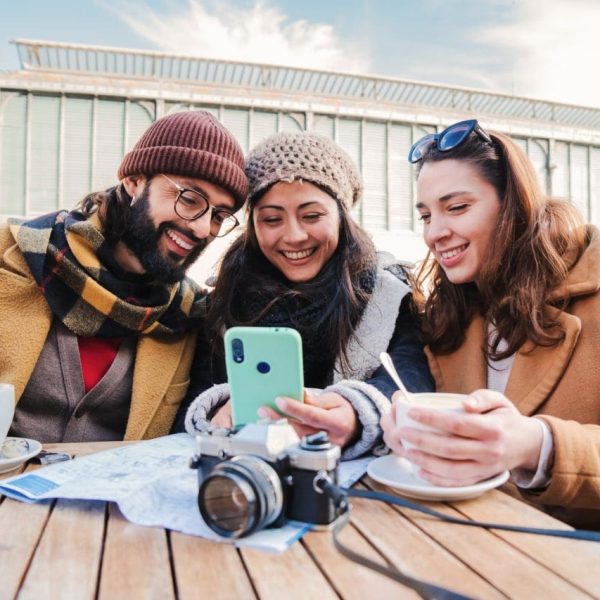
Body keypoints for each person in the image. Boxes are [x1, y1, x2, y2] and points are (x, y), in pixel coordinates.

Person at [381, 118, 600, 528]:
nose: (435, 233)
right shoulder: (450, 312)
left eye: (457, 207)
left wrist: (538, 447)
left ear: (515, 205)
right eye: (426, 215)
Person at [181, 131, 434, 459]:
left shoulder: (388, 292)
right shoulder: (224, 299)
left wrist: (356, 411)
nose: (295, 236)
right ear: (253, 227)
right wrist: (224, 406)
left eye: (312, 216)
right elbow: (195, 393)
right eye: (272, 219)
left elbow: (411, 377)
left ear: (342, 216)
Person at [1, 110, 248, 443]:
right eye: (189, 199)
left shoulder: (189, 315)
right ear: (134, 181)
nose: (203, 228)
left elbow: (189, 427)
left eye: (220, 215)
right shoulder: (15, 254)